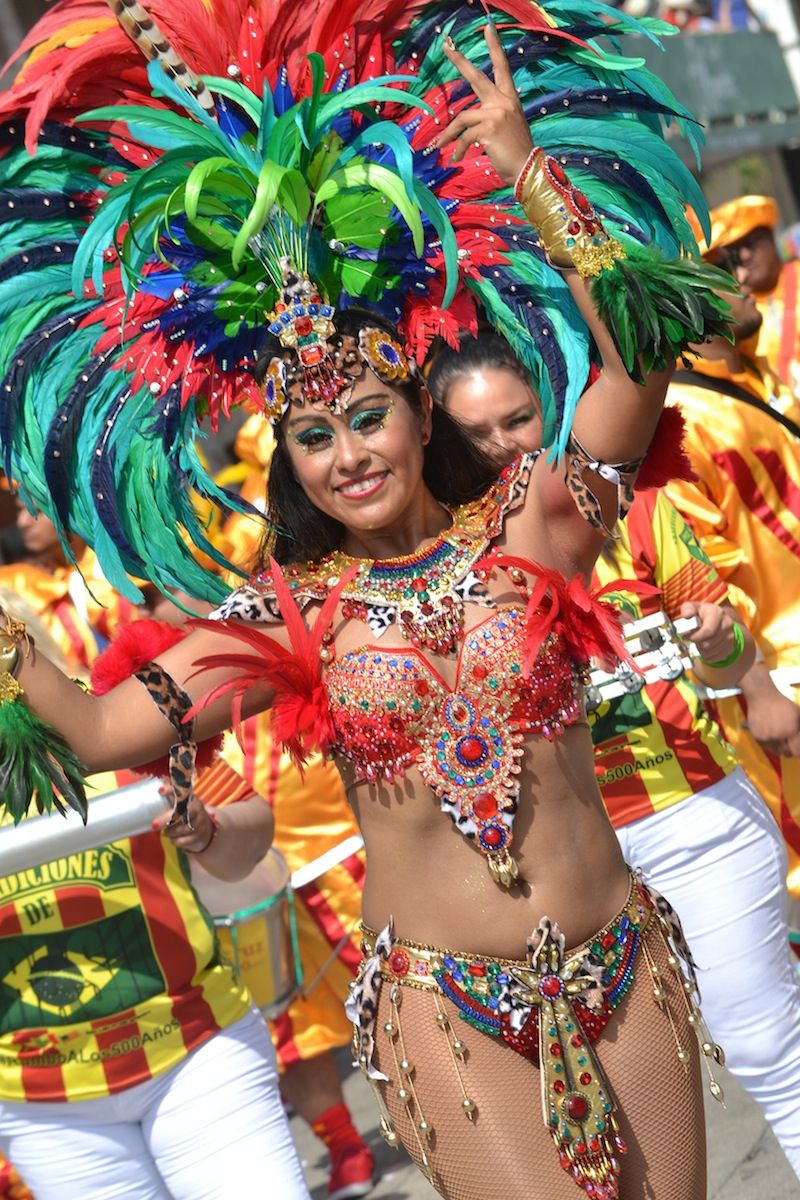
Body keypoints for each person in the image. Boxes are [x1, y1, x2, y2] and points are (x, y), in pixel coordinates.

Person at [0, 4, 735, 1197]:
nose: (344, 454)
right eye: (308, 434)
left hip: (618, 960)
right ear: (283, 456)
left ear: (415, 408)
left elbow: (635, 362)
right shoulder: (283, 615)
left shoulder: (536, 523)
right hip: (446, 1006)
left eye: (362, 417)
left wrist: (523, 171)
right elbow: (91, 730)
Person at [429, 331, 800, 1178]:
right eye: (475, 434)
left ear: (553, 407)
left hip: (690, 816)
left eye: (519, 419)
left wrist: (721, 643)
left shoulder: (630, 506)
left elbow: (731, 658)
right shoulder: (436, 566)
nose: (504, 448)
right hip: (553, 871)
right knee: (614, 1102)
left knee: (765, 1044)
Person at [660, 251, 800, 935]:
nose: (743, 277)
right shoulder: (680, 414)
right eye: (718, 264)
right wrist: (763, 689)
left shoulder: (754, 376)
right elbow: (702, 578)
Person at [699, 195, 800, 402]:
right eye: (734, 250)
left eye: (751, 242)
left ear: (771, 237)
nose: (744, 256)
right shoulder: (738, 317)